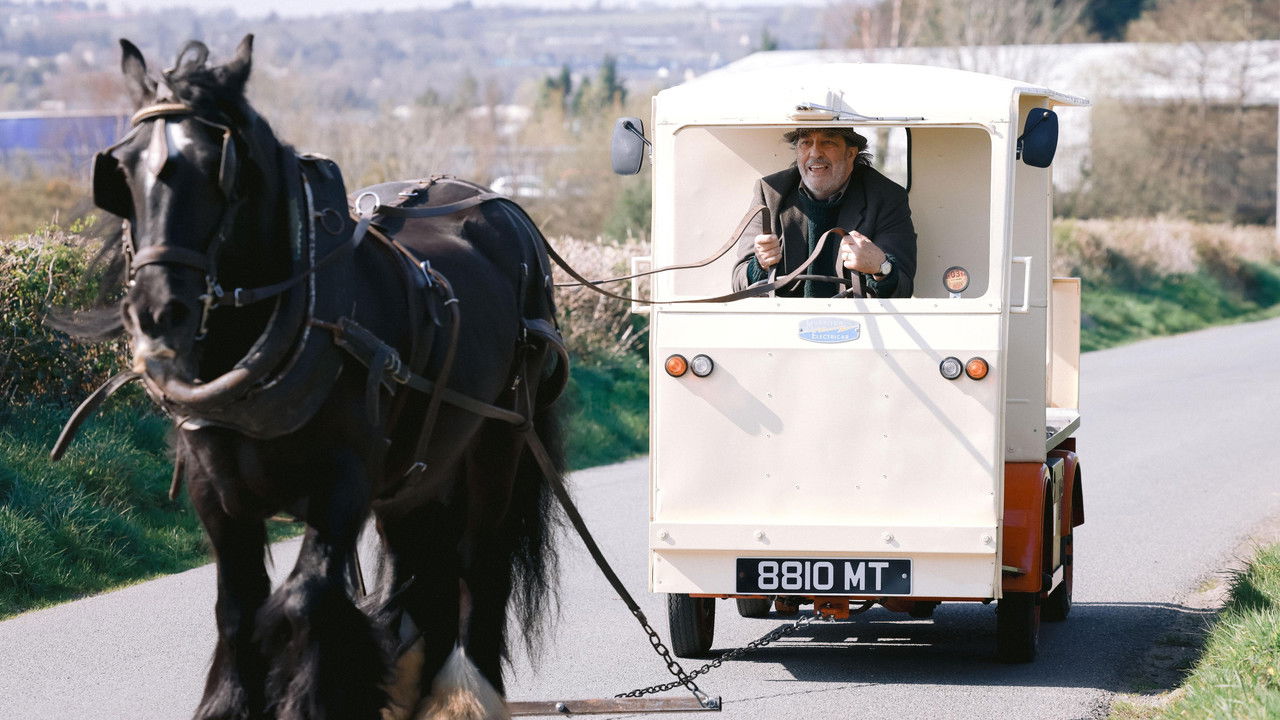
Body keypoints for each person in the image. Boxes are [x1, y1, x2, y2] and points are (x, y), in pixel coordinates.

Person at [731, 127, 917, 298]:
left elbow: (903, 289)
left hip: (857, 324)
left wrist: (880, 268)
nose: (814, 153)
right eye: (805, 143)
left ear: (851, 153)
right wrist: (760, 265)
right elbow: (738, 283)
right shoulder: (770, 191)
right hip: (783, 322)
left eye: (828, 142)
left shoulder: (887, 197)